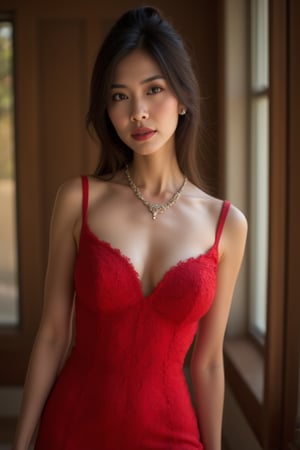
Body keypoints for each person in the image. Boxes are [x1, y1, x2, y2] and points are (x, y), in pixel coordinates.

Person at [13, 6, 247, 450]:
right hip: (72, 428)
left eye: (153, 90)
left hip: (173, 434)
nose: (138, 112)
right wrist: (20, 443)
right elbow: (52, 334)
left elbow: (209, 363)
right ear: (107, 108)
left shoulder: (226, 224)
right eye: (120, 96)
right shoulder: (78, 200)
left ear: (182, 99)